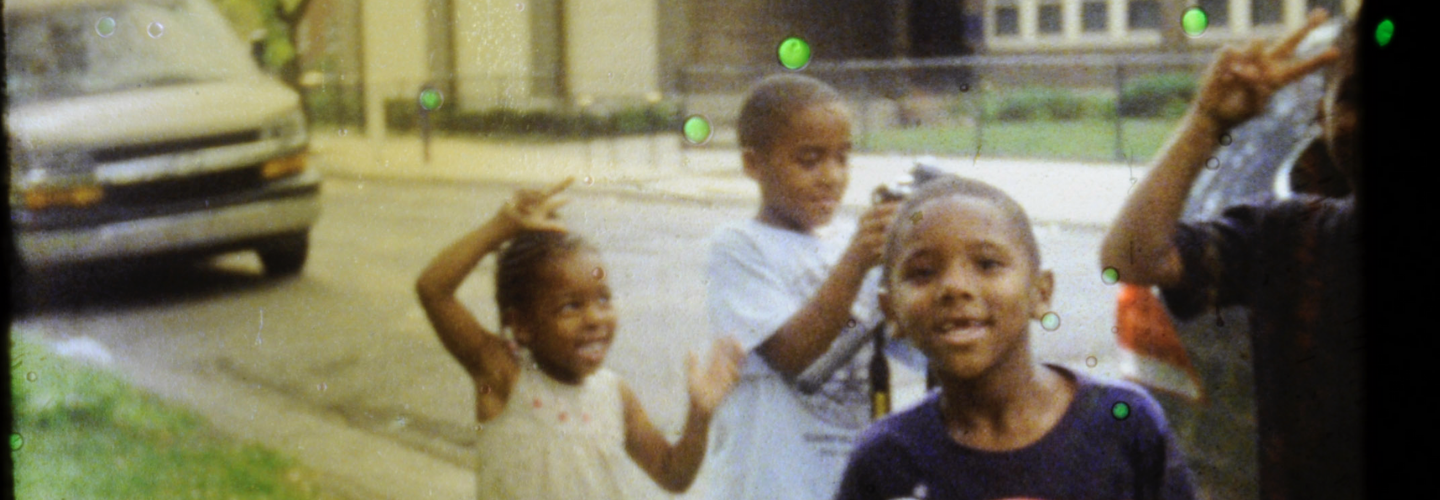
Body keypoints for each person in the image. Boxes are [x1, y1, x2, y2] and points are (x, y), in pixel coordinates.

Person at [1100, 8, 1362, 500]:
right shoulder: (1290, 238)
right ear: (1321, 114)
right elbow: (1131, 257)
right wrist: (1207, 121)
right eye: (1352, 96)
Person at [835, 175, 1196, 500]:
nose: (955, 287)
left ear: (1040, 293)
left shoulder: (1124, 423)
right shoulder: (886, 460)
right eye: (923, 272)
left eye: (987, 264)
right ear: (891, 311)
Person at [416, 178, 746, 499]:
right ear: (522, 325)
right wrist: (501, 227)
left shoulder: (615, 395)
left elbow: (673, 474)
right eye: (570, 306)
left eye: (603, 299)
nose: (594, 319)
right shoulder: (504, 376)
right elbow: (433, 290)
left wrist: (700, 414)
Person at [703, 73, 924, 500]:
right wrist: (859, 258)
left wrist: (924, 257)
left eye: (842, 158)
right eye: (809, 160)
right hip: (770, 484)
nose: (831, 176)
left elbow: (917, 348)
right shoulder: (739, 247)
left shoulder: (852, 246)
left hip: (849, 481)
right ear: (753, 164)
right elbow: (791, 354)